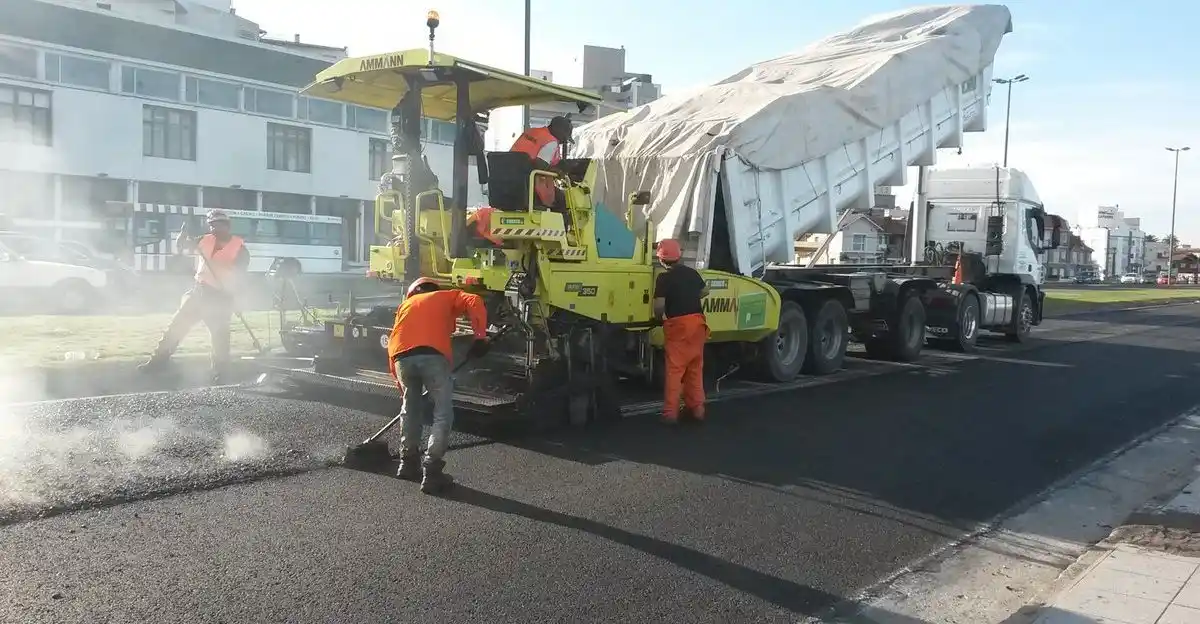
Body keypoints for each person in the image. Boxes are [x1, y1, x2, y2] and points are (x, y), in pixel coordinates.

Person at [386, 277, 489, 494]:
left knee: (409, 408)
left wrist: (399, 384)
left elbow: (393, 344)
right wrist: (480, 337)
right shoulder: (446, 295)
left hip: (401, 359)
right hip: (433, 357)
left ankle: (407, 462)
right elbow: (474, 300)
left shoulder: (404, 306)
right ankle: (432, 471)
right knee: (442, 412)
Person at [139, 209, 249, 383]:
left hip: (220, 296)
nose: (214, 228)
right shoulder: (204, 240)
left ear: (227, 226)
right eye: (212, 224)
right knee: (175, 327)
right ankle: (158, 362)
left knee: (220, 337)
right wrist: (181, 238)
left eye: (219, 224)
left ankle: (220, 371)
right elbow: (183, 246)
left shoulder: (239, 248)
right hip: (198, 292)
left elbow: (241, 276)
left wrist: (233, 295)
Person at [652, 239, 710, 425]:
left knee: (675, 371)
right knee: (695, 368)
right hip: (698, 325)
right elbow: (704, 292)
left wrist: (657, 319)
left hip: (679, 327)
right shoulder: (692, 274)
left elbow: (659, 306)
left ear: (661, 260)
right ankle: (698, 409)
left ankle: (670, 414)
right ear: (680, 255)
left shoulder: (663, 278)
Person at [510, 115, 573, 210]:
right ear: (558, 130)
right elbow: (540, 165)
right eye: (565, 137)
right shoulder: (551, 141)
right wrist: (557, 172)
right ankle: (562, 223)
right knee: (564, 201)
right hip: (528, 185)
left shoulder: (532, 132)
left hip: (509, 181)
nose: (564, 141)